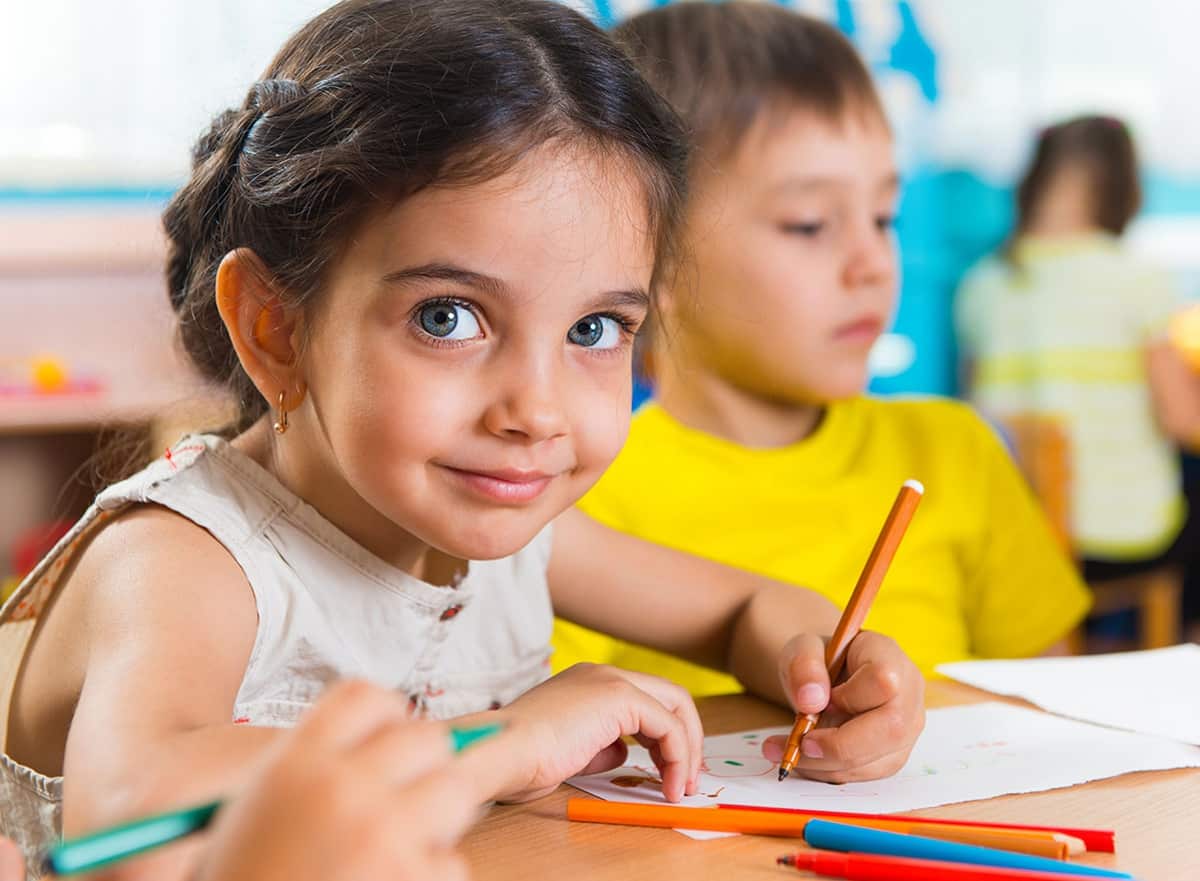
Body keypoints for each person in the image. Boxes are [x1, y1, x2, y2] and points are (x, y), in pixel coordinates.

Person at [0, 2, 924, 878]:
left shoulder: (505, 532)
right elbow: (130, 827)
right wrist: (499, 741)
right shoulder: (188, 556)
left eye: (596, 330)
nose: (536, 408)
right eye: (448, 317)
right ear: (276, 328)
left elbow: (744, 610)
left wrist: (833, 667)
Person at [552, 1, 1091, 698]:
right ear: (649, 260)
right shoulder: (580, 495)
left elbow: (1061, 722)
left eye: (882, 217)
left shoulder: (955, 453)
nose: (873, 262)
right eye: (810, 225)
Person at [957, 115, 1198, 616]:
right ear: (1121, 185)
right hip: (1120, 541)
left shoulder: (981, 284)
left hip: (1019, 539)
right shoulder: (1138, 278)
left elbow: (976, 419)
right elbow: (1182, 420)